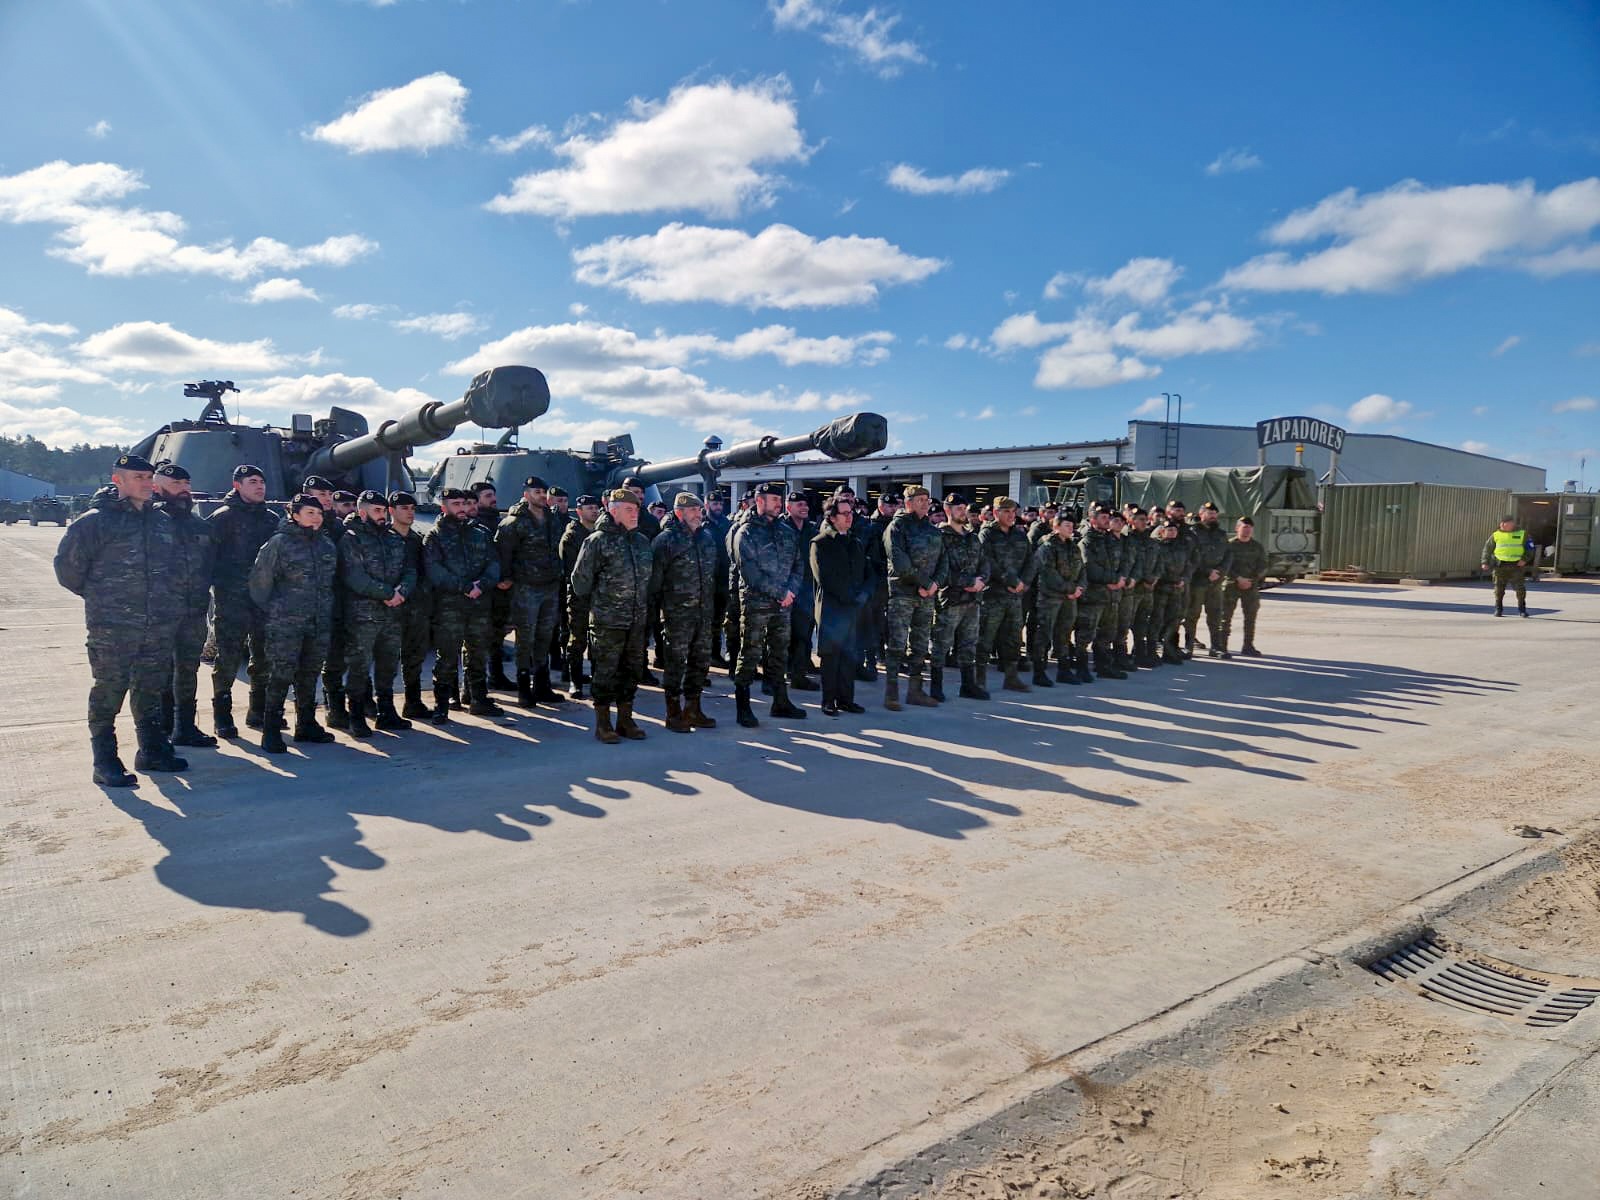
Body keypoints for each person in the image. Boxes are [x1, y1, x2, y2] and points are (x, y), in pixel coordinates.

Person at [54, 453, 185, 785]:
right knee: (109, 690)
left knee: (151, 688)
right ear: (118, 481)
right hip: (112, 626)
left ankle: (152, 750)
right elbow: (68, 571)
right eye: (138, 477)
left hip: (157, 623)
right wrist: (104, 598)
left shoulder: (162, 521)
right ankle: (105, 760)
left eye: (149, 477)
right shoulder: (95, 522)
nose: (147, 483)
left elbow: (173, 569)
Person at [247, 494, 340, 753]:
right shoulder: (279, 543)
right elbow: (259, 584)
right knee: (280, 675)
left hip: (318, 621)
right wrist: (277, 611)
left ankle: (306, 724)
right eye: (310, 512)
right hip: (286, 623)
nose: (317, 518)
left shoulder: (326, 545)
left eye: (319, 513)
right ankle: (272, 730)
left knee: (309, 673)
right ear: (294, 515)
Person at [570, 488, 653, 743]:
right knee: (605, 672)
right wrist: (603, 603)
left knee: (632, 671)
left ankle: (625, 720)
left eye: (637, 509)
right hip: (608, 622)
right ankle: (603, 723)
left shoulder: (640, 541)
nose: (634, 513)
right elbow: (580, 582)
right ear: (614, 510)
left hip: (636, 620)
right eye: (629, 509)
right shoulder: (597, 540)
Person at [208, 464, 279, 737]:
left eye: (262, 481)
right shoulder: (222, 518)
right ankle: (223, 716)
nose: (260, 486)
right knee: (228, 657)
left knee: (263, 657)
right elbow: (208, 559)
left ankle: (257, 711)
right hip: (231, 600)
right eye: (252, 481)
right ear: (237, 485)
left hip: (263, 600)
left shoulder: (271, 519)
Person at [339, 490, 416, 736]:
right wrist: (387, 593)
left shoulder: (394, 539)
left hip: (392, 615)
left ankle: (386, 712)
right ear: (362, 513)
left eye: (384, 511)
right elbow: (354, 576)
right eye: (377, 511)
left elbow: (410, 570)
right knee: (359, 666)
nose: (382, 516)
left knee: (388, 665)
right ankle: (357, 715)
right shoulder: (351, 539)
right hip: (363, 615)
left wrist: (402, 591)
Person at [152, 462, 218, 748]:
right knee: (159, 671)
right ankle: (161, 727)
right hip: (159, 612)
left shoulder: (198, 524)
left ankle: (185, 726)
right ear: (157, 487)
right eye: (177, 485)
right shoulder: (149, 521)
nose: (184, 490)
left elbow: (211, 564)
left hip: (193, 611)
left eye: (187, 485)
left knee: (188, 669)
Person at [731, 481, 806, 728]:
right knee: (750, 653)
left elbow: (798, 564)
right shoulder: (746, 532)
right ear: (760, 501)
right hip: (756, 603)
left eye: (779, 499)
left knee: (779, 653)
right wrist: (780, 592)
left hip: (783, 604)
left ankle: (781, 702)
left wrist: (791, 592)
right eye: (773, 499)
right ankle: (743, 707)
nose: (778, 504)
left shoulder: (786, 530)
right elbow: (750, 573)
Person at [424, 487, 502, 723]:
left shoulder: (481, 532)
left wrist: (483, 584)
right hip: (450, 604)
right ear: (444, 508)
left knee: (478, 652)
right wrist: (465, 586)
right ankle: (442, 704)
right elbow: (435, 571)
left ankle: (478, 698)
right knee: (447, 655)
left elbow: (494, 562)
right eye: (455, 504)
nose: (462, 509)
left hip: (479, 603)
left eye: (463, 504)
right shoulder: (435, 536)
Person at [650, 492, 720, 733]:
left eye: (700, 510)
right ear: (679, 512)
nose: (698, 514)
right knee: (675, 664)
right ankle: (673, 712)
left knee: (700, 663)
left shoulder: (707, 539)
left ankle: (693, 708)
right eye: (693, 510)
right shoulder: (665, 540)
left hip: (704, 613)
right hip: (676, 615)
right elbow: (655, 583)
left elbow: (713, 576)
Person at [495, 475, 566, 708]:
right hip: (526, 587)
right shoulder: (514, 522)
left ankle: (542, 686)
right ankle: (524, 688)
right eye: (536, 492)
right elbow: (503, 553)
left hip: (549, 586)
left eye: (544, 492)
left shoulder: (553, 519)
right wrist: (505, 579)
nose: (542, 496)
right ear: (526, 495)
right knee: (525, 638)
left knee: (545, 636)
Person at [884, 484, 944, 710]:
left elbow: (943, 561)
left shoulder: (932, 530)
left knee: (920, 644)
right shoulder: (896, 527)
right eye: (920, 500)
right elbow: (900, 562)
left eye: (927, 500)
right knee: (897, 644)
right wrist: (926, 583)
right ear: (907, 503)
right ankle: (891, 693)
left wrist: (935, 584)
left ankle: (916, 691)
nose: (925, 503)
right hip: (903, 594)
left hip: (926, 596)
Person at [810, 496, 869, 715]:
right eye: (844, 513)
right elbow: (824, 577)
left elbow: (866, 573)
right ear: (833, 518)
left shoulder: (855, 542)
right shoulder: (821, 543)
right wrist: (849, 597)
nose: (849, 517)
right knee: (830, 656)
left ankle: (846, 699)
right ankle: (828, 700)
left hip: (853, 608)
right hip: (832, 609)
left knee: (849, 655)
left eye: (851, 513)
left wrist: (862, 595)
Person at [932, 491, 989, 701]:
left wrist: (982, 580)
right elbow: (941, 569)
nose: (963, 512)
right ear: (947, 510)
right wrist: (968, 582)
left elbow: (984, 562)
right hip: (950, 599)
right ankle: (935, 687)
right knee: (941, 644)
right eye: (958, 509)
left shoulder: (972, 537)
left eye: (965, 508)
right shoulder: (939, 536)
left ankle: (968, 685)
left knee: (969, 643)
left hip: (973, 600)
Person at [977, 496, 1036, 693]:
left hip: (1015, 597)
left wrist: (1024, 583)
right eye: (1006, 512)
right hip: (993, 595)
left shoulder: (1019, 535)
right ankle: (979, 680)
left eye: (1013, 512)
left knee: (1013, 638)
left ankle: (1011, 677)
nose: (1011, 516)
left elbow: (1031, 561)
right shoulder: (987, 534)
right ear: (995, 513)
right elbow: (987, 562)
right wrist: (1010, 581)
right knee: (985, 639)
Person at [388, 491, 434, 719]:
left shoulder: (417, 539)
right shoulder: (385, 538)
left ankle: (413, 701)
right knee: (386, 660)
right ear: (392, 511)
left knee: (415, 656)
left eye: (412, 508)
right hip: (390, 606)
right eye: (404, 508)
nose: (410, 512)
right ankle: (384, 707)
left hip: (416, 607)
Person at [1031, 513, 1085, 685]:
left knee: (1064, 634)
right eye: (1066, 525)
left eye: (1072, 525)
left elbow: (1082, 570)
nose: (1071, 528)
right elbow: (1048, 573)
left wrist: (1079, 588)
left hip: (1069, 598)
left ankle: (1064, 669)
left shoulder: (1073, 547)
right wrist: (1070, 589)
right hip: (1050, 598)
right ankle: (1039, 672)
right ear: (1056, 526)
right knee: (1044, 633)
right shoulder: (1047, 546)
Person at [1076, 505, 1127, 680]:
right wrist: (1113, 579)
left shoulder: (1112, 540)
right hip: (1093, 596)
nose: (1107, 520)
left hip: (1111, 596)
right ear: (1092, 520)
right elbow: (1090, 569)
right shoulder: (1087, 541)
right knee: (1085, 634)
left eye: (1108, 517)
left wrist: (1120, 579)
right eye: (1103, 517)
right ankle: (1082, 668)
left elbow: (1124, 562)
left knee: (1107, 633)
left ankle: (1103, 665)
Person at [559, 493, 601, 700]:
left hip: (600, 596)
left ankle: (596, 676)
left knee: (598, 639)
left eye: (596, 507)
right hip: (579, 594)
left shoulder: (602, 532)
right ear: (579, 511)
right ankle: (574, 680)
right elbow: (571, 569)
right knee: (577, 638)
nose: (594, 510)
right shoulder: (572, 536)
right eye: (589, 508)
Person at [857, 491, 899, 681]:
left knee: (887, 623)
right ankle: (870, 661)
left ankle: (885, 657)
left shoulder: (896, 526)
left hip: (891, 580)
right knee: (872, 623)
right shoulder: (871, 527)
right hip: (876, 581)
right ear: (880, 507)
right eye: (889, 506)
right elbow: (866, 555)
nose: (893, 509)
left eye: (894, 506)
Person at [1184, 500, 1231, 657]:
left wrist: (1220, 571)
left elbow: (1228, 555)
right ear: (1201, 514)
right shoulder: (1192, 533)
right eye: (1209, 514)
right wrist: (1207, 572)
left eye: (1215, 514)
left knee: (1215, 615)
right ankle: (1189, 646)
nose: (1213, 517)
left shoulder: (1221, 534)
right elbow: (1190, 557)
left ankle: (1216, 647)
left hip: (1215, 582)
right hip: (1198, 581)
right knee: (1192, 615)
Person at [784, 490, 821, 691]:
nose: (804, 507)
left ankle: (799, 673)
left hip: (806, 590)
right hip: (785, 590)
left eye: (806, 504)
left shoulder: (812, 530)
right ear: (788, 507)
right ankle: (779, 675)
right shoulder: (781, 528)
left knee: (803, 635)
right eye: (799, 504)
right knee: (781, 636)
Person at [1220, 516, 1268, 656]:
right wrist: (1238, 579)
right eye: (1244, 527)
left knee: (1250, 617)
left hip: (1250, 586)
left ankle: (1248, 646)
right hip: (1231, 585)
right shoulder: (1230, 545)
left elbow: (1263, 565)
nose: (1247, 531)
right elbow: (1225, 566)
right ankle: (1222, 646)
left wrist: (1251, 580)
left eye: (1249, 528)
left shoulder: (1257, 546)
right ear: (1237, 529)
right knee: (1225, 617)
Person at [1151, 518, 1192, 664]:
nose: (1172, 532)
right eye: (1169, 530)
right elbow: (1155, 567)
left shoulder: (1181, 547)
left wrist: (1184, 579)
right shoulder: (1157, 547)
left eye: (1174, 530)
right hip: (1161, 589)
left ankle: (1170, 651)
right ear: (1162, 531)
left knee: (1174, 621)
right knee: (1157, 620)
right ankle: (1152, 650)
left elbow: (1188, 566)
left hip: (1177, 589)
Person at [1481, 515, 1533, 617]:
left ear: (1512, 524)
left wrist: (1524, 559)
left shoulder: (1522, 534)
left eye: (1507, 524)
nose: (1503, 526)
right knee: (1498, 590)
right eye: (1502, 524)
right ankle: (1498, 609)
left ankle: (1522, 609)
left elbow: (1530, 548)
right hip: (1500, 566)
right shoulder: (1495, 535)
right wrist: (1484, 562)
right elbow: (1487, 549)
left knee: (1520, 589)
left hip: (1516, 566)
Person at [705, 490, 733, 668]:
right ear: (707, 505)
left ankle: (715, 654)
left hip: (723, 579)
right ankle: (708, 655)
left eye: (720, 504)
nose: (718, 507)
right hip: (708, 580)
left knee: (719, 619)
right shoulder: (701, 524)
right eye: (714, 504)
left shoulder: (726, 524)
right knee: (707, 621)